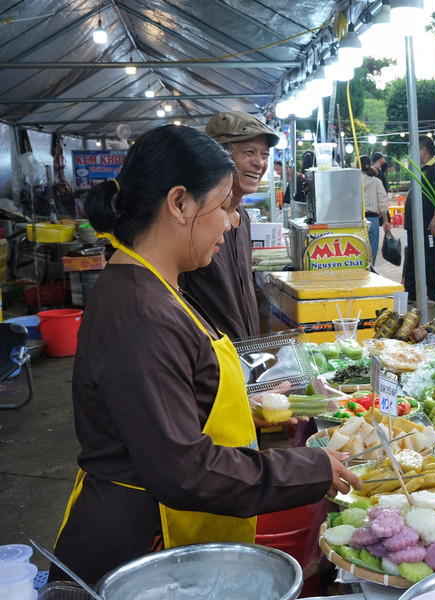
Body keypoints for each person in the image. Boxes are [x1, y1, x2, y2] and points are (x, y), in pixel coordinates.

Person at [51, 125, 362, 585]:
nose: (232, 222)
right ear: (179, 203)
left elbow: (173, 400)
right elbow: (183, 470)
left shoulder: (158, 285)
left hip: (173, 532)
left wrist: (245, 411)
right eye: (222, 206)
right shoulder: (141, 313)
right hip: (144, 546)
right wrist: (309, 468)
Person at [179, 111, 277, 341]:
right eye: (249, 152)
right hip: (209, 357)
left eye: (265, 154)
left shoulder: (243, 217)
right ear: (218, 156)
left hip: (245, 354)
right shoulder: (194, 218)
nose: (260, 162)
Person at [402, 135, 435, 302]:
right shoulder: (421, 168)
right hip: (414, 223)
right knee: (411, 257)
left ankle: (433, 294)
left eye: (415, 150)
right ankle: (410, 292)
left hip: (427, 223)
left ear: (424, 149)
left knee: (430, 258)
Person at [360, 154, 391, 263]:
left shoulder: (354, 182)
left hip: (358, 221)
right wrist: (386, 221)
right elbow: (383, 203)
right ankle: (370, 274)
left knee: (358, 252)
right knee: (371, 255)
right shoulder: (376, 181)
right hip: (373, 220)